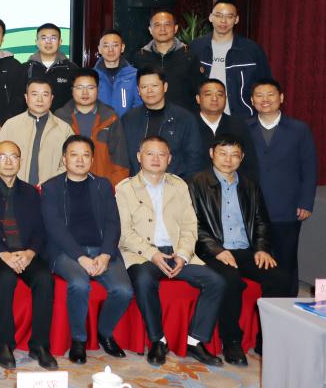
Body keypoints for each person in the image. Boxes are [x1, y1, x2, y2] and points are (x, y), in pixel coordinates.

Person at [115, 136, 225, 367]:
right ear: (139, 157)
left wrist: (183, 255)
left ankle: (195, 341)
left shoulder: (179, 185)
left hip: (176, 253)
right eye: (150, 154)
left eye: (161, 154)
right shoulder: (124, 189)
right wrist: (152, 254)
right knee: (144, 280)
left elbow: (189, 226)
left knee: (216, 281)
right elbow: (124, 233)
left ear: (169, 158)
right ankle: (158, 340)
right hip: (142, 254)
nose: (156, 159)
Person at [188, 135, 290, 365]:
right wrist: (216, 249)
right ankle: (231, 341)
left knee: (281, 279)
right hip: (212, 250)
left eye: (234, 155)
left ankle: (267, 341)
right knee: (230, 280)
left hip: (246, 250)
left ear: (242, 157)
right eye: (223, 153)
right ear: (212, 154)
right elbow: (192, 224)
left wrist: (262, 248)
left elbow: (262, 221)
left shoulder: (249, 185)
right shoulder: (195, 183)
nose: (228, 160)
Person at [41, 136, 133, 365]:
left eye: (85, 155)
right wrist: (81, 257)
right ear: (64, 159)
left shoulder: (102, 185)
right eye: (74, 155)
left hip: (102, 250)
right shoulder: (51, 187)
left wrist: (105, 254)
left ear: (92, 159)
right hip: (66, 252)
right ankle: (79, 340)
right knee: (79, 283)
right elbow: (55, 228)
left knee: (123, 290)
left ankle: (104, 332)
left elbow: (113, 223)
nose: (80, 160)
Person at [0, 141, 57, 370]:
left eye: (14, 157)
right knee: (5, 279)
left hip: (26, 253)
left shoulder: (31, 193)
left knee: (44, 279)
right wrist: (3, 254)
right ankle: (4, 344)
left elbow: (41, 229)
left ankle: (40, 346)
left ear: (20, 161)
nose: (8, 162)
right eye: (2, 157)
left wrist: (30, 253)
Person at [247, 78, 316, 295]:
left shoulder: (299, 129)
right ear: (252, 100)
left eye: (270, 94)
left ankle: (287, 304)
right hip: (253, 209)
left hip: (287, 207)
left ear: (281, 98)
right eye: (259, 95)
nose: (265, 100)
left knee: (286, 259)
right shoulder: (244, 128)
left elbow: (309, 168)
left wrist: (306, 202)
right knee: (256, 260)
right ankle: (261, 305)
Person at [190, 0, 272, 119]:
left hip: (241, 119)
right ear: (211, 17)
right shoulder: (196, 47)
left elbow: (266, 85)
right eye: (219, 15)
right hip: (202, 118)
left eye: (229, 16)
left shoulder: (251, 50)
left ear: (236, 19)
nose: (223, 21)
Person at [121, 68, 203, 179]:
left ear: (165, 87)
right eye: (144, 87)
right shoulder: (129, 119)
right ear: (138, 90)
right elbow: (122, 158)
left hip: (175, 185)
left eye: (154, 86)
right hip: (136, 185)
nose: (149, 90)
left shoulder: (185, 119)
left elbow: (194, 159)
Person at [54, 69, 131, 186]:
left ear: (98, 89)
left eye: (90, 87)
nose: (85, 92)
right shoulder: (60, 117)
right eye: (79, 87)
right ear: (72, 90)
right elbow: (53, 157)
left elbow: (120, 160)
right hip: (66, 185)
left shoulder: (110, 117)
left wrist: (112, 188)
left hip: (102, 185)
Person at [0, 79, 73, 185]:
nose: (39, 100)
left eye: (45, 95)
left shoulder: (64, 129)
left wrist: (51, 182)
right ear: (26, 97)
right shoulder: (10, 125)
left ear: (51, 98)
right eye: (34, 94)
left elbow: (70, 162)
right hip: (15, 189)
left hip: (51, 189)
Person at [131, 11, 199, 113]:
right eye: (157, 25)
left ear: (175, 28)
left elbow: (199, 89)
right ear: (150, 30)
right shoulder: (140, 56)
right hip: (149, 115)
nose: (162, 29)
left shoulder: (189, 55)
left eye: (167, 24)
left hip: (182, 116)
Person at [195, 79, 258, 179]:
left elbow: (249, 162)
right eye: (208, 94)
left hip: (233, 184)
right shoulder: (188, 124)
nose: (214, 98)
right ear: (198, 99)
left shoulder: (238, 125)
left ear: (226, 98)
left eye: (220, 94)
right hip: (195, 185)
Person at [25, 23, 78, 111]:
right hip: (32, 118)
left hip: (63, 118)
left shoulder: (72, 69)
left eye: (53, 38)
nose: (48, 42)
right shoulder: (25, 68)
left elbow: (76, 99)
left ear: (60, 42)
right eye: (44, 38)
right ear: (37, 42)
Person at [93, 29, 141, 117]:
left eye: (115, 45)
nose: (110, 50)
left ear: (122, 48)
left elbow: (139, 106)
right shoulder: (91, 77)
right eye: (106, 46)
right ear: (99, 49)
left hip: (127, 124)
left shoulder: (135, 75)